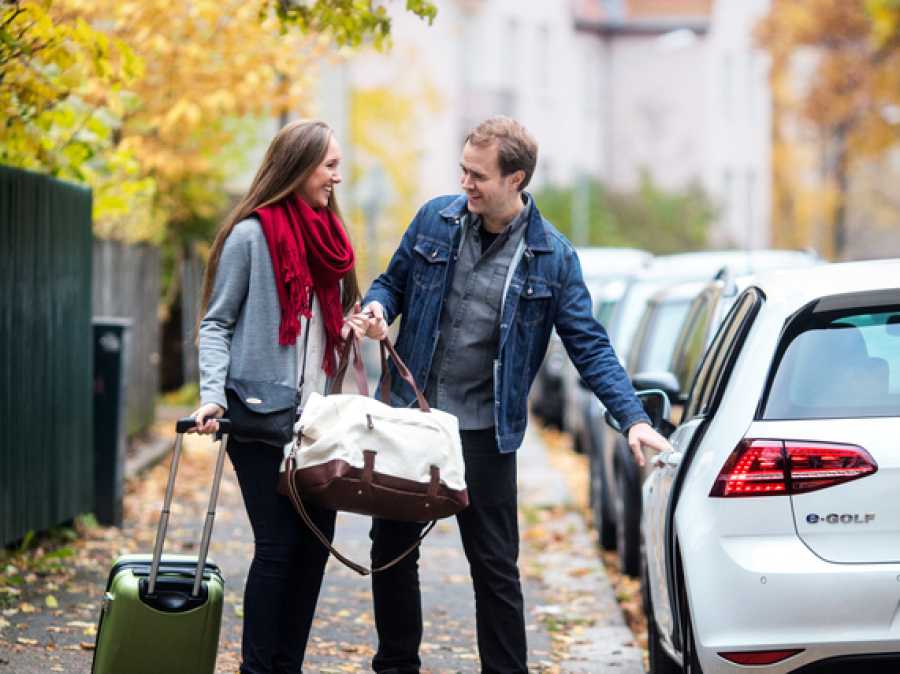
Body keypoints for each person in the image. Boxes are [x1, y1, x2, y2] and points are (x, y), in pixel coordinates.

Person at [360, 116, 672, 673]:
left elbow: (589, 345)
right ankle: (397, 665)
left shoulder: (553, 257)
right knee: (391, 552)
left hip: (484, 433)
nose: (465, 183)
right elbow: (392, 281)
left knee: (495, 569)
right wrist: (379, 306)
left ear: (516, 178)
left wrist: (632, 418)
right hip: (413, 420)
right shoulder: (435, 220)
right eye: (463, 170)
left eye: (478, 175)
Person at [190, 119, 370, 674]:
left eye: (339, 165)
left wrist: (354, 328)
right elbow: (216, 323)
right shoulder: (250, 236)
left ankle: (285, 666)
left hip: (321, 422)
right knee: (277, 547)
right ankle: (257, 668)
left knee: (314, 550)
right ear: (297, 167)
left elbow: (327, 323)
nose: (338, 177)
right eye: (329, 166)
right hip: (260, 420)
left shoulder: (333, 242)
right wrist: (213, 396)